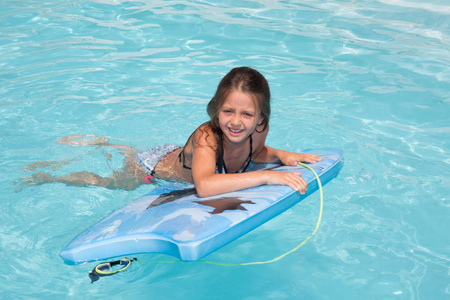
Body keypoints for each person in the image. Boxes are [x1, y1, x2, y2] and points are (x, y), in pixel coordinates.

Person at [19, 67, 321, 196]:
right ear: (216, 109)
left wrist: (282, 155)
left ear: (260, 118)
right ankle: (51, 175)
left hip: (180, 156)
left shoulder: (259, 130)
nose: (236, 122)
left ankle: (110, 144)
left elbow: (253, 153)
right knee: (109, 184)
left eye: (247, 114)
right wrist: (268, 174)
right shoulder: (207, 137)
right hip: (152, 168)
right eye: (228, 111)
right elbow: (203, 186)